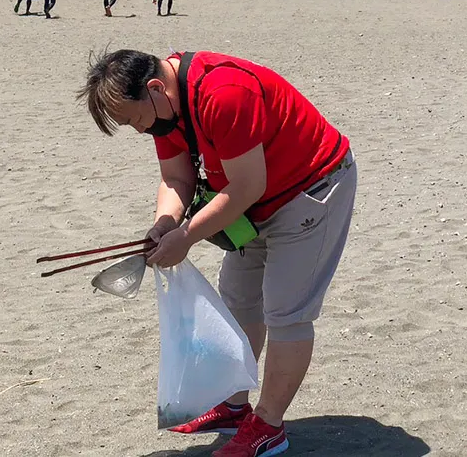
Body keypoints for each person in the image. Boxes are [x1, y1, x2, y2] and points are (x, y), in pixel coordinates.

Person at [77, 49, 356, 457]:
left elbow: (246, 186)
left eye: (135, 119)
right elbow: (176, 177)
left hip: (311, 188)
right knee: (239, 302)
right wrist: (165, 223)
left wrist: (187, 237)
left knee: (286, 313)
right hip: (255, 205)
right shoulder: (166, 109)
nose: (139, 130)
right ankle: (232, 406)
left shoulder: (222, 93)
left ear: (155, 88)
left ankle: (269, 425)